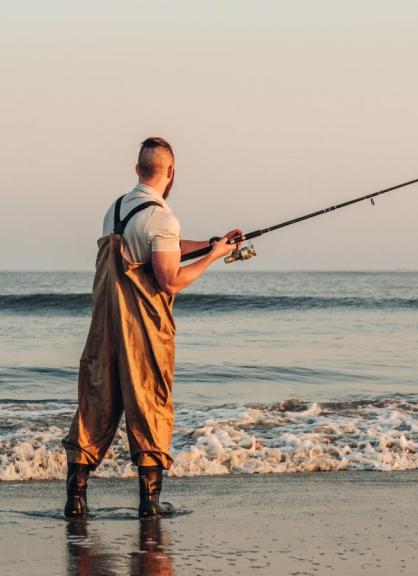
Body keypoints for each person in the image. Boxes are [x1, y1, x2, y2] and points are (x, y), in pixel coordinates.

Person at [61, 137, 242, 518]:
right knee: (150, 405)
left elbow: (155, 246)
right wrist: (212, 256)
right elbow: (169, 279)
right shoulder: (162, 217)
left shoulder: (114, 210)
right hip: (142, 329)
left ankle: (75, 499)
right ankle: (150, 504)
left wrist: (211, 241)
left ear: (138, 170)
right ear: (171, 172)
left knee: (95, 404)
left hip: (104, 327)